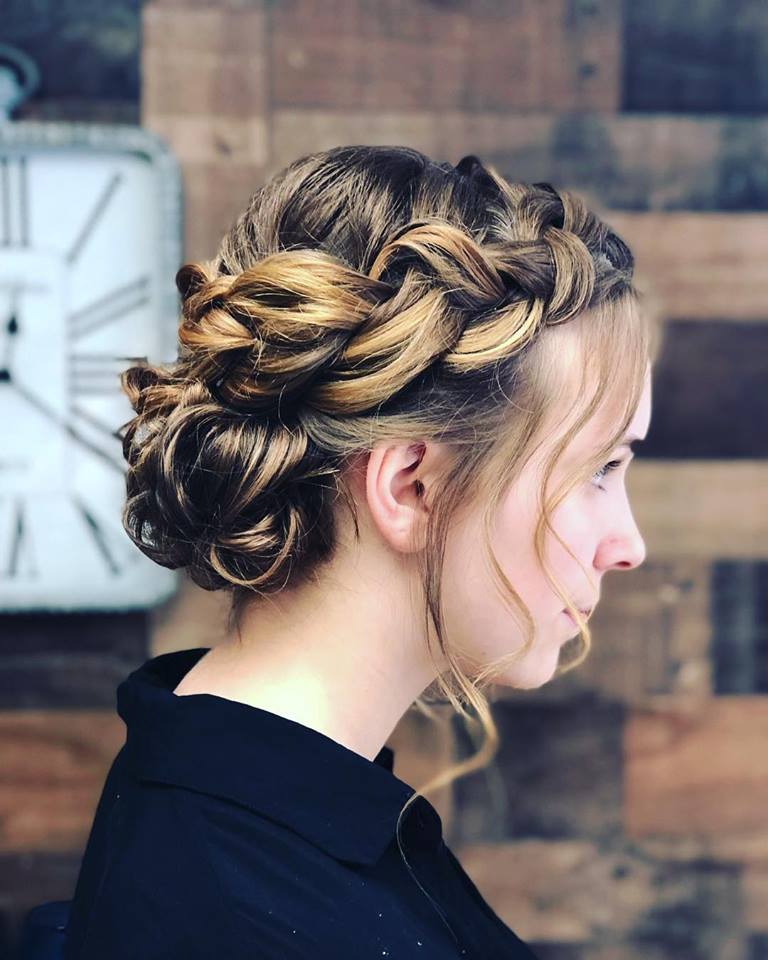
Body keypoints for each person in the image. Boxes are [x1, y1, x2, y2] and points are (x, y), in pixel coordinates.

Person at [62, 145, 662, 959]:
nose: (628, 546)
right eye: (599, 469)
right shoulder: (256, 920)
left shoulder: (234, 802)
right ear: (412, 487)